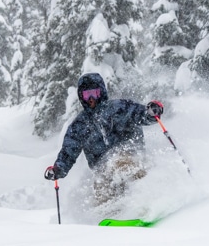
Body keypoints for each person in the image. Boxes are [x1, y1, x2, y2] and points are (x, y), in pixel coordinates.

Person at [44, 72, 164, 205]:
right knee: (102, 188)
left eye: (94, 93)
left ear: (101, 92)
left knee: (122, 165)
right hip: (102, 170)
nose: (91, 98)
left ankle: (145, 203)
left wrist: (151, 113)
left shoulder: (120, 108)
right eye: (86, 94)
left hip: (132, 157)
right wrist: (58, 169)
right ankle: (112, 215)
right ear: (81, 97)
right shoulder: (79, 125)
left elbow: (140, 115)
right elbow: (68, 152)